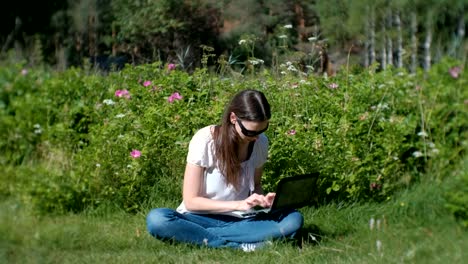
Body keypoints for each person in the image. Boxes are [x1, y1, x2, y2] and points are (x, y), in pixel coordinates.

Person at [146, 89, 303, 251]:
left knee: (293, 218)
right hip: (198, 218)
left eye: (262, 130)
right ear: (233, 118)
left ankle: (198, 236)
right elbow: (191, 201)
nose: (256, 137)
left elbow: (255, 185)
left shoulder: (261, 143)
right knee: (158, 219)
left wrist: (262, 200)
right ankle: (236, 246)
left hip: (240, 220)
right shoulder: (206, 139)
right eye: (250, 132)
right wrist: (239, 204)